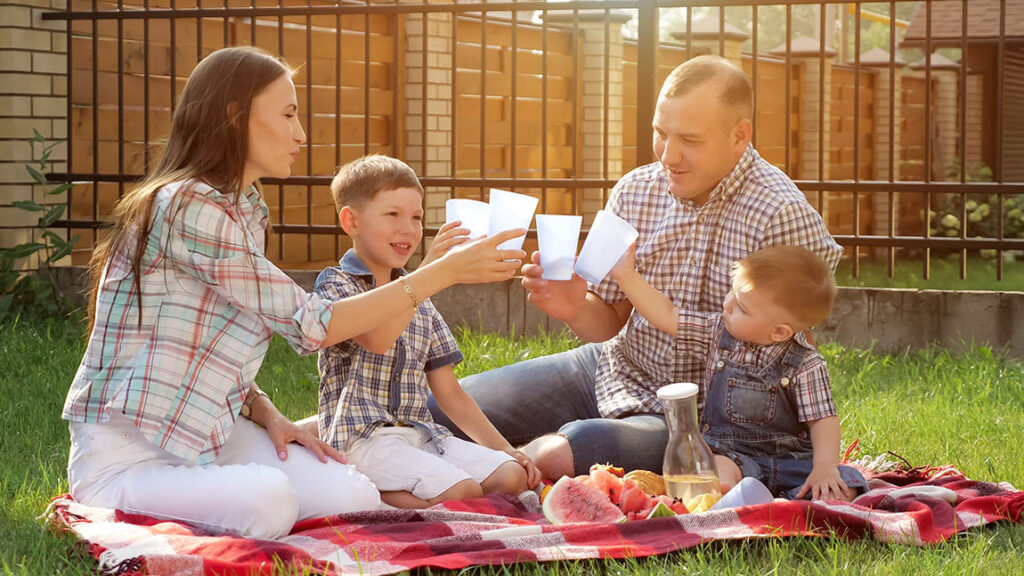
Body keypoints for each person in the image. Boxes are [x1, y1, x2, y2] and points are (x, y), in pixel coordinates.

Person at [62, 46, 525, 540]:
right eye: (287, 114)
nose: (301, 134)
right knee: (269, 503)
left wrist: (267, 414)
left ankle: (222, 485)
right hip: (130, 453)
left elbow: (206, 347)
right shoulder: (186, 205)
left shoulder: (246, 208)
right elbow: (312, 324)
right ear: (236, 117)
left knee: (353, 496)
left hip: (208, 435)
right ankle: (117, 496)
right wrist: (440, 272)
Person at [430, 55, 843, 480]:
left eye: (690, 140)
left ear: (740, 136)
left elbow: (794, 353)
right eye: (660, 134)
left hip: (698, 418)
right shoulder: (634, 191)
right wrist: (574, 306)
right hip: (611, 366)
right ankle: (457, 464)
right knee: (436, 407)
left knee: (561, 453)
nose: (669, 155)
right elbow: (608, 322)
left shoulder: (781, 213)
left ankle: (482, 473)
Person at [315, 155, 542, 509]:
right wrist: (429, 273)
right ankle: (356, 497)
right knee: (461, 492)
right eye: (393, 215)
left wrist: (505, 449)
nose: (408, 229)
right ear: (351, 221)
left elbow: (450, 392)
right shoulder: (336, 285)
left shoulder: (423, 298)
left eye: (417, 217)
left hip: (421, 436)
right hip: (360, 440)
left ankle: (445, 500)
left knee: (510, 476)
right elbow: (376, 339)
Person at [610, 244, 866, 500]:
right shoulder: (716, 332)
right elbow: (667, 315)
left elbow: (823, 420)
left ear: (779, 331)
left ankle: (766, 501)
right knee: (714, 481)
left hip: (791, 463)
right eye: (732, 292)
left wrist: (824, 468)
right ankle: (747, 502)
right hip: (731, 457)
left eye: (742, 307)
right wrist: (626, 275)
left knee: (845, 486)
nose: (728, 305)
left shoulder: (806, 363)